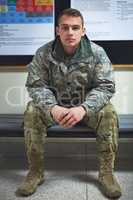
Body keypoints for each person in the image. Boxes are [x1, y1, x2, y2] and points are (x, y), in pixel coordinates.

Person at [16, 8, 122, 198]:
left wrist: (84, 109)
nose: (70, 32)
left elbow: (106, 86)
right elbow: (35, 85)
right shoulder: (44, 53)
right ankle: (35, 172)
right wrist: (52, 108)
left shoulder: (97, 53)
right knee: (32, 111)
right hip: (55, 106)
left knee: (108, 112)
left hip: (85, 107)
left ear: (83, 30)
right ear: (58, 30)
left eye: (75, 28)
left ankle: (106, 174)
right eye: (65, 28)